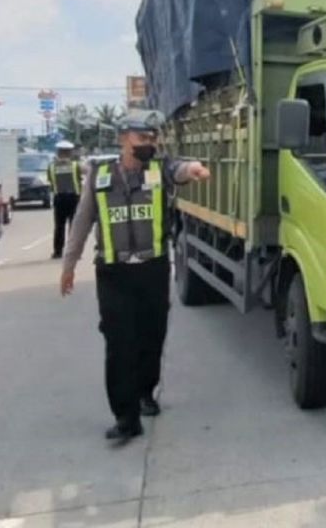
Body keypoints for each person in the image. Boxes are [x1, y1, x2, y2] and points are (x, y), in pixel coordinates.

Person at [59, 111, 210, 444]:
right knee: (119, 343)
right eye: (142, 138)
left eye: (152, 139)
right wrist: (69, 265)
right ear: (123, 139)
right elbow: (82, 221)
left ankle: (145, 393)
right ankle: (125, 418)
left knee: (151, 337)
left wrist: (194, 169)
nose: (149, 144)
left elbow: (180, 169)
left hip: (152, 270)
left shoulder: (159, 169)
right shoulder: (99, 175)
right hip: (113, 273)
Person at [48, 140, 82, 259]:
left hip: (59, 199)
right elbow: (80, 179)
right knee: (74, 227)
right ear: (70, 152)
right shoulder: (75, 166)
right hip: (73, 198)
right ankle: (73, 253)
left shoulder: (51, 167)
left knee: (59, 226)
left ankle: (58, 252)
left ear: (58, 152)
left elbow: (50, 181)